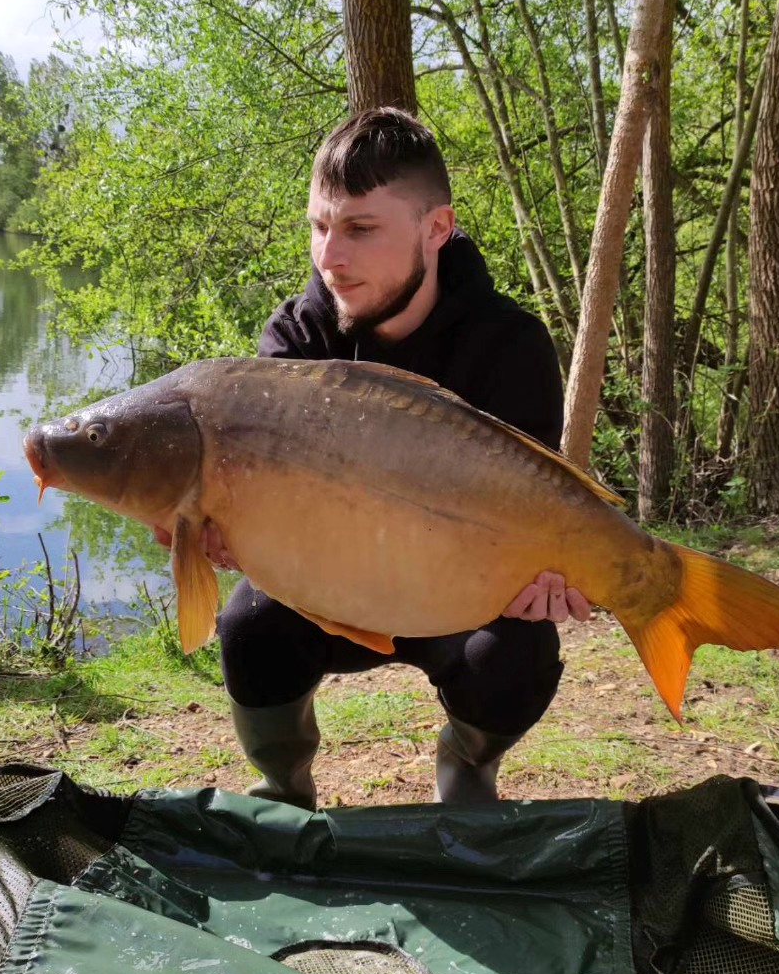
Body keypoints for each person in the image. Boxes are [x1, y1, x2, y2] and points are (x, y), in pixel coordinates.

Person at [206, 107, 589, 810]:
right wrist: (229, 529)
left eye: (359, 229)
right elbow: (263, 499)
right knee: (250, 624)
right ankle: (283, 787)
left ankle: (468, 770)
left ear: (436, 228)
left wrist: (551, 575)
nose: (329, 256)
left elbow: (536, 514)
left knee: (516, 653)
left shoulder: (510, 344)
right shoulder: (295, 340)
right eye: (319, 227)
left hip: (459, 596)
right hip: (331, 591)